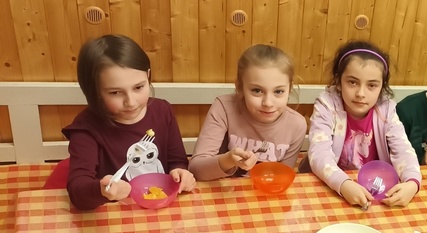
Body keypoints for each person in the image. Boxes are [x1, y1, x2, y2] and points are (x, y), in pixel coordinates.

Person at [64, 34, 195, 211]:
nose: (131, 102)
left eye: (138, 87)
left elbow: (177, 161)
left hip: (160, 209)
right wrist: (102, 191)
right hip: (115, 214)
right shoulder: (86, 128)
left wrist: (181, 172)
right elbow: (77, 193)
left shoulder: (162, 111)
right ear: (95, 91)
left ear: (148, 75)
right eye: (115, 93)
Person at [307, 41, 422, 209]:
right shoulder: (327, 105)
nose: (361, 93)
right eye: (352, 82)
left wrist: (412, 183)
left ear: (382, 87)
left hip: (374, 186)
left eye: (372, 85)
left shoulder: (387, 110)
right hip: (334, 184)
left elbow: (403, 149)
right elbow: (319, 153)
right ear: (338, 81)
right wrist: (343, 184)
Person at [189, 44, 307, 181]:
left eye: (278, 91)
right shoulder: (224, 108)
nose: (268, 103)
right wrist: (228, 160)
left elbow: (283, 177)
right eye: (257, 90)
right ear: (240, 87)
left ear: (290, 88)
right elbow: (196, 170)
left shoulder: (297, 125)